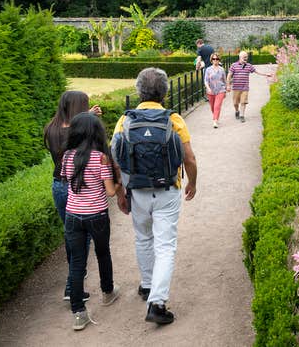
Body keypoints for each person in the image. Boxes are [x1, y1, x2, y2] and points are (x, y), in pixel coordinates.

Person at [111, 67, 197, 325]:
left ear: (139, 91)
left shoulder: (125, 120)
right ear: (165, 92)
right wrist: (193, 181)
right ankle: (157, 303)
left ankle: (147, 285)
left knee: (143, 238)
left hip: (137, 189)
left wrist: (120, 191)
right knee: (165, 245)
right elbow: (189, 157)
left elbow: (116, 159)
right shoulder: (174, 119)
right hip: (168, 189)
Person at [60, 112, 123, 330]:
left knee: (77, 262)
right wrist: (119, 183)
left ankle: (79, 313)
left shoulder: (67, 156)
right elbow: (110, 192)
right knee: (102, 253)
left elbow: (68, 181)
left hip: (72, 215)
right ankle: (108, 292)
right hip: (96, 215)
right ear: (97, 132)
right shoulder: (100, 158)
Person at [43, 91, 102, 302]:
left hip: (58, 185)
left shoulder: (51, 127)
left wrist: (88, 116)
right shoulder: (79, 133)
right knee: (82, 236)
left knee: (71, 234)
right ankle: (72, 285)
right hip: (77, 187)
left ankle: (74, 276)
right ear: (79, 108)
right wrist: (91, 120)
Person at [226, 50, 271, 122]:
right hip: (236, 88)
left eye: (246, 57)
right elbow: (229, 75)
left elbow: (257, 72)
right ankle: (237, 111)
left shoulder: (249, 66)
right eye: (244, 57)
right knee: (235, 103)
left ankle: (242, 115)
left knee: (243, 102)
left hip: (245, 88)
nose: (246, 58)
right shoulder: (234, 65)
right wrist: (228, 85)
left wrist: (266, 74)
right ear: (240, 57)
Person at [204, 53, 228, 128]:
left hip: (220, 90)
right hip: (211, 91)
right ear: (211, 60)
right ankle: (216, 117)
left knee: (217, 106)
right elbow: (206, 80)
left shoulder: (222, 69)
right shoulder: (208, 69)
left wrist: (226, 89)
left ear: (219, 60)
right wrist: (208, 88)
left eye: (217, 59)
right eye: (214, 59)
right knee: (212, 107)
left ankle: (215, 121)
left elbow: (224, 80)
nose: (215, 60)